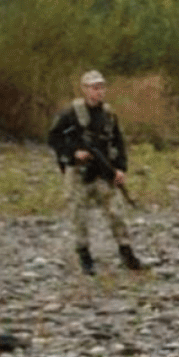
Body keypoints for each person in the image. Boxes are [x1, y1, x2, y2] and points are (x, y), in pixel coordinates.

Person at [47, 70, 145, 275]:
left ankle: (127, 253)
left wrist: (120, 168)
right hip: (78, 172)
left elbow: (119, 142)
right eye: (93, 87)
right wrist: (74, 153)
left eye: (101, 87)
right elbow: (54, 138)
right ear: (85, 89)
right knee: (78, 215)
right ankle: (85, 257)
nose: (98, 91)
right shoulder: (70, 113)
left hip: (103, 171)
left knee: (116, 213)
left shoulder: (109, 114)